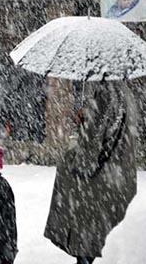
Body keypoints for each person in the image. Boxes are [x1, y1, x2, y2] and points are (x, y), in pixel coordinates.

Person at [44, 79, 137, 264]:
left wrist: (85, 121)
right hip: (117, 178)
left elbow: (90, 149)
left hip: (98, 185)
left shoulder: (106, 93)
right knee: (104, 244)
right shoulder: (124, 92)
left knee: (88, 243)